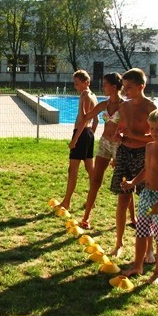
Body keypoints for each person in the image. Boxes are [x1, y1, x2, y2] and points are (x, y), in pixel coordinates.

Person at [122, 108, 158, 284]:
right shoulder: (149, 147)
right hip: (147, 194)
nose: (154, 133)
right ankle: (138, 265)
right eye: (152, 129)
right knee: (141, 232)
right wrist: (132, 182)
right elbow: (147, 170)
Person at [109, 68, 156, 258]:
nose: (125, 90)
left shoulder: (151, 108)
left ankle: (149, 249)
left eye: (129, 87)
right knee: (122, 200)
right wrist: (118, 136)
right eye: (124, 87)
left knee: (146, 202)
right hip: (123, 154)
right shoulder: (124, 107)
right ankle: (119, 243)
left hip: (143, 156)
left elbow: (155, 137)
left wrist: (132, 135)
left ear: (141, 86)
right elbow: (120, 128)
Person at [70, 72, 125, 229]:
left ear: (114, 87)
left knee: (124, 183)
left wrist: (120, 138)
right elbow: (86, 117)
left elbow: (129, 126)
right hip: (104, 144)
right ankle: (86, 218)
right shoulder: (104, 104)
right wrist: (81, 103)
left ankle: (133, 218)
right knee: (95, 180)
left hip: (118, 146)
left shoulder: (124, 106)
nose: (102, 87)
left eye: (105, 85)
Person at [59, 70, 99, 211]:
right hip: (88, 134)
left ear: (86, 82)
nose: (75, 86)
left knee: (73, 170)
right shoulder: (94, 96)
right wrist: (91, 134)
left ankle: (66, 202)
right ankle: (92, 200)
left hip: (81, 134)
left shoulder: (84, 95)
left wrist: (75, 140)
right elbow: (96, 120)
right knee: (90, 169)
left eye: (77, 83)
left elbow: (83, 120)